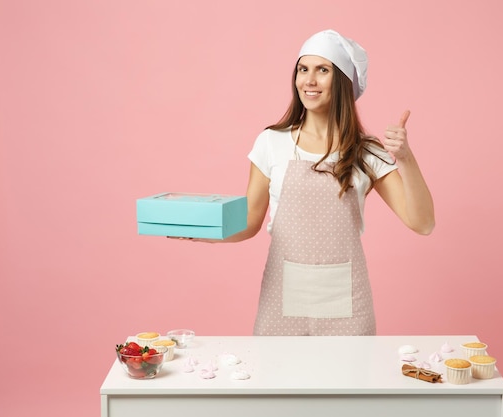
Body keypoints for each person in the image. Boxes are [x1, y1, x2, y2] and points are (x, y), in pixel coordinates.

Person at [182, 29, 434, 336]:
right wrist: (200, 232)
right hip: (281, 301)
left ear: (341, 82)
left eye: (322, 70)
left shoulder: (366, 150)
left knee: (348, 384)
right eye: (303, 70)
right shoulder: (271, 142)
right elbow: (249, 221)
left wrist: (405, 159)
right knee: (276, 383)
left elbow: (422, 223)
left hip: (349, 307)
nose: (309, 81)